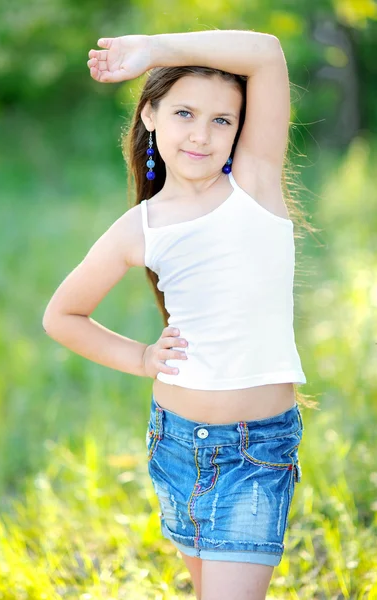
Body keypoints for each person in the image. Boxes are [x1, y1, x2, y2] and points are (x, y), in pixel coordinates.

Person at [43, 30, 317, 600]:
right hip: (175, 443)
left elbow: (265, 52)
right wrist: (143, 357)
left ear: (241, 131)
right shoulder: (140, 226)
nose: (201, 133)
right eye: (184, 112)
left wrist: (154, 50)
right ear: (150, 116)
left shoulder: (254, 187)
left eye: (222, 120)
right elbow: (63, 315)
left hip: (254, 450)